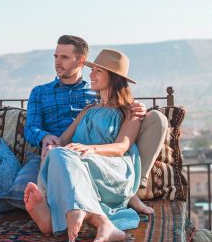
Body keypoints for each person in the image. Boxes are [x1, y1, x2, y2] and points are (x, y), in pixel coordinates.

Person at [24, 35, 166, 216]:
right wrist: (46, 138)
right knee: (49, 161)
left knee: (157, 119)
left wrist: (137, 110)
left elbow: (122, 141)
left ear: (81, 61)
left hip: (95, 154)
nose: (57, 62)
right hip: (61, 151)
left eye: (64, 57)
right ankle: (52, 209)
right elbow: (31, 128)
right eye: (55, 56)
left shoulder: (95, 94)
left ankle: (131, 190)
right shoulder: (41, 93)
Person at [24, 48, 147, 242]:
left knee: (66, 156)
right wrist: (50, 145)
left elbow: (121, 147)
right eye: (93, 70)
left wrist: (90, 149)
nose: (91, 74)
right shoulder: (88, 110)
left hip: (111, 169)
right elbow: (63, 140)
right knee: (56, 152)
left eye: (98, 71)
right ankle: (82, 218)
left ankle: (60, 215)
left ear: (114, 77)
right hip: (80, 162)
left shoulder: (129, 110)